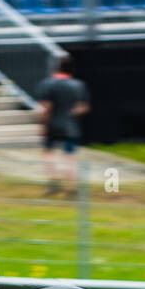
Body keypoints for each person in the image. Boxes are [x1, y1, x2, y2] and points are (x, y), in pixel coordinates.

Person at [37, 55, 90, 197]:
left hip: (52, 125)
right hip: (70, 125)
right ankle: (72, 188)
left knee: (48, 154)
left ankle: (53, 184)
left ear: (54, 68)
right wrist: (72, 112)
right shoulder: (78, 85)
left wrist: (42, 125)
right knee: (70, 156)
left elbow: (46, 108)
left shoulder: (47, 84)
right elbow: (82, 107)